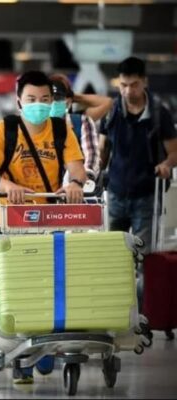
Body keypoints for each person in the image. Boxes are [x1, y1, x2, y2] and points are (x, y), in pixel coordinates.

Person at [0, 71, 86, 384]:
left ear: (52, 102)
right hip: (13, 221)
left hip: (50, 217)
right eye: (31, 99)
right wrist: (7, 185)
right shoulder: (4, 130)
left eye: (44, 99)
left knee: (53, 283)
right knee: (18, 286)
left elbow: (76, 165)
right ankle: (20, 355)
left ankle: (46, 345)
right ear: (18, 101)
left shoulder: (61, 129)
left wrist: (76, 183)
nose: (38, 105)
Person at [99, 56, 177, 308]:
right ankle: (115, 307)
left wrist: (166, 165)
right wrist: (96, 170)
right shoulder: (111, 111)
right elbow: (103, 147)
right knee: (112, 256)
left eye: (133, 84)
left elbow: (174, 151)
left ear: (144, 82)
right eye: (123, 85)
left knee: (143, 258)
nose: (127, 90)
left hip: (146, 196)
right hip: (115, 194)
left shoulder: (158, 113)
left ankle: (141, 312)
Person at [49, 73, 103, 181]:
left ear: (68, 102)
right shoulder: (35, 126)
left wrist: (83, 178)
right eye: (49, 98)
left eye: (58, 98)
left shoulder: (82, 122)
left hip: (75, 187)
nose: (53, 102)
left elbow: (91, 155)